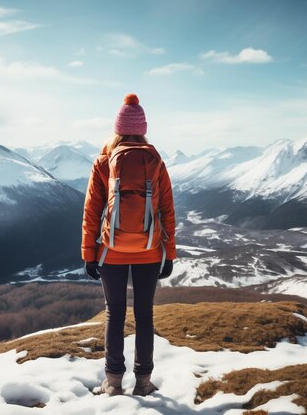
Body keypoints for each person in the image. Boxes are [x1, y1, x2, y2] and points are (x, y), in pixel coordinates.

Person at [81, 93, 177, 396]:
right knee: (144, 314)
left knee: (115, 312)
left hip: (112, 251)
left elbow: (92, 210)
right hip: (150, 252)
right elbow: (167, 211)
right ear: (143, 129)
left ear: (117, 128)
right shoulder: (156, 161)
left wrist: (88, 252)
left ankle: (114, 381)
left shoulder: (104, 161)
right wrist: (169, 253)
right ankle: (144, 382)